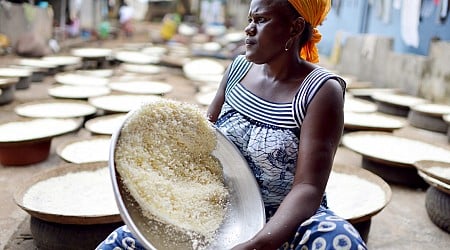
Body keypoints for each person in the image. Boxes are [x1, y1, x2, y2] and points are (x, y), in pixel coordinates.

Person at [96, 0, 368, 249]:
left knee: (340, 240)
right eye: (250, 19)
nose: (248, 29)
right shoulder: (237, 70)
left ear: (295, 27)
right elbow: (202, 139)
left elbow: (308, 188)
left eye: (260, 20)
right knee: (121, 242)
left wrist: (258, 243)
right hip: (224, 212)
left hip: (286, 220)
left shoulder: (321, 91)